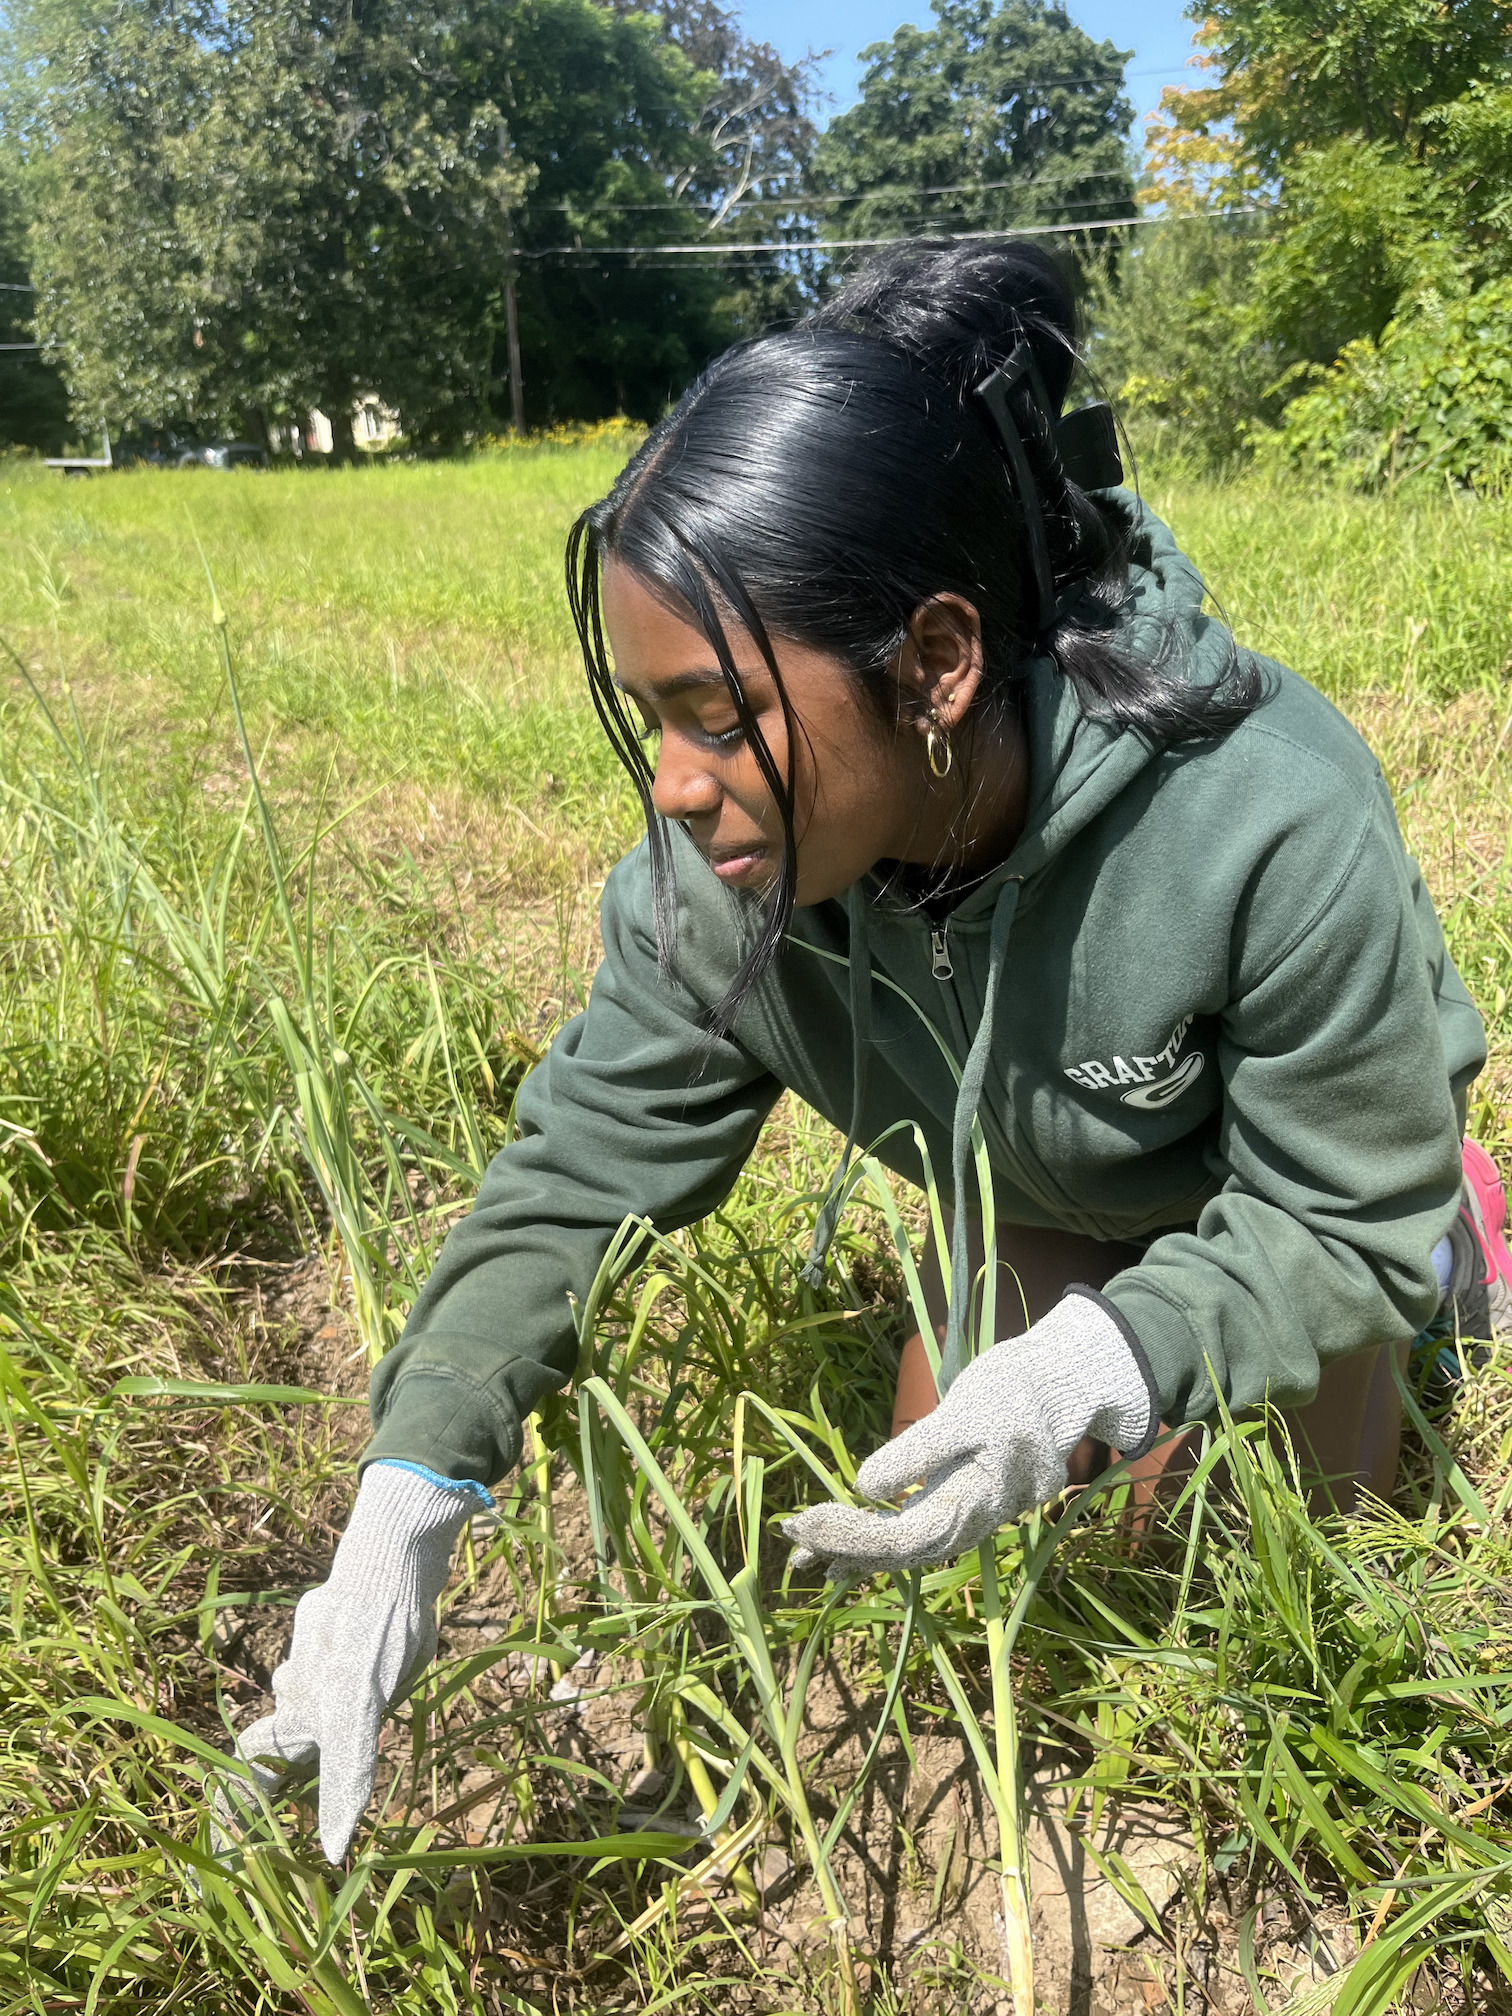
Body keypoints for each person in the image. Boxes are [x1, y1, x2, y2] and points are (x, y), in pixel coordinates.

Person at [228, 239, 1507, 1864]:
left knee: (1289, 1586)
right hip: (1051, 1206)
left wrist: (1114, 1363)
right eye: (655, 722)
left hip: (1273, 1204)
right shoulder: (723, 880)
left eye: (717, 715)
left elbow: (1331, 1213)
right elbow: (572, 1178)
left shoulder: (1267, 812)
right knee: (965, 1554)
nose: (678, 789)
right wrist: (410, 1489)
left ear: (936, 665)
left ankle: (1457, 1223)